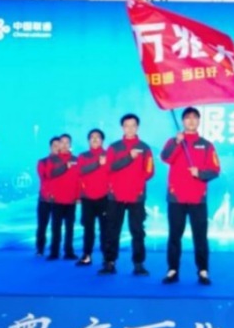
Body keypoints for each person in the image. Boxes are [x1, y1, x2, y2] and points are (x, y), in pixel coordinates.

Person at [161, 107, 221, 286]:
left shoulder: (207, 145)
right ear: (183, 121)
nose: (191, 120)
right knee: (174, 235)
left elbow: (215, 170)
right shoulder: (174, 141)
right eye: (188, 118)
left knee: (200, 237)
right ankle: (172, 270)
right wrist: (176, 142)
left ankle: (203, 270)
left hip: (197, 198)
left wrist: (200, 173)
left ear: (199, 121)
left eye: (195, 117)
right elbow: (165, 158)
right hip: (176, 197)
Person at [100, 114, 154, 276]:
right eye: (127, 125)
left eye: (133, 125)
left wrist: (137, 183)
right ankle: (109, 262)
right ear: (122, 128)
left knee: (137, 231)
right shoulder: (114, 147)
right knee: (112, 230)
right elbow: (109, 168)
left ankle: (138, 264)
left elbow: (149, 171)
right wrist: (129, 157)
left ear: (137, 127)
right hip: (116, 196)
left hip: (136, 196)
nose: (130, 128)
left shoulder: (145, 148)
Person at [76, 129, 109, 268]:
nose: (95, 139)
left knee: (106, 229)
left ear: (102, 140)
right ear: (88, 140)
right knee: (88, 229)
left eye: (98, 137)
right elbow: (80, 172)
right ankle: (87, 255)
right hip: (87, 198)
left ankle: (107, 257)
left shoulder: (109, 155)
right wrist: (98, 163)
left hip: (105, 198)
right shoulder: (83, 156)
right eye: (92, 137)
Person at [46, 133, 79, 260]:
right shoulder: (52, 160)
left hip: (71, 200)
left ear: (70, 144)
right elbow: (50, 175)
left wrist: (78, 196)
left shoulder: (76, 160)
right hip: (57, 199)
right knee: (56, 227)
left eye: (67, 142)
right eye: (62, 142)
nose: (64, 145)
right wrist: (65, 167)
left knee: (70, 228)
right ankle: (54, 252)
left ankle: (69, 252)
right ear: (58, 144)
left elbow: (79, 180)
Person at [35, 136, 61, 256]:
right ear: (50, 147)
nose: (57, 148)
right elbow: (45, 177)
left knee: (56, 226)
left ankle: (55, 250)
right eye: (54, 146)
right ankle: (40, 249)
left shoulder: (66, 162)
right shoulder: (43, 162)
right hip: (44, 199)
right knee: (42, 225)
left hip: (59, 200)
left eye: (59, 146)